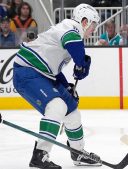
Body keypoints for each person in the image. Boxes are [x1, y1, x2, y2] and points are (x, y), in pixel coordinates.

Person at [13, 4, 101, 169]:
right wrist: (82, 63)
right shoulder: (70, 28)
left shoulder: (70, 33)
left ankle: (78, 153)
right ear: (84, 21)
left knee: (72, 111)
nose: (94, 31)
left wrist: (65, 85)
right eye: (93, 25)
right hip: (27, 72)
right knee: (57, 106)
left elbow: (51, 68)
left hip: (42, 74)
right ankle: (40, 155)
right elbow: (76, 50)